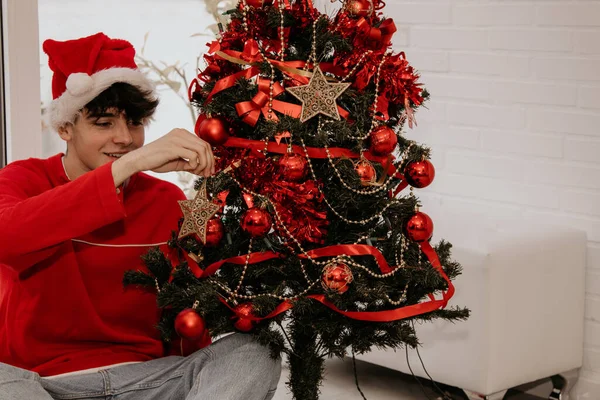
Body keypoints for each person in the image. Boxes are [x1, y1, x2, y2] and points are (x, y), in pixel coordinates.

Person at [0, 32, 281, 400]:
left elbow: (186, 314)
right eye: (104, 124)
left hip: (147, 380)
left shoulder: (165, 199)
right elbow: (9, 235)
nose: (125, 139)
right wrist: (129, 166)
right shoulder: (24, 178)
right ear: (65, 127)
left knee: (255, 354)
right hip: (43, 383)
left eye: (134, 123)